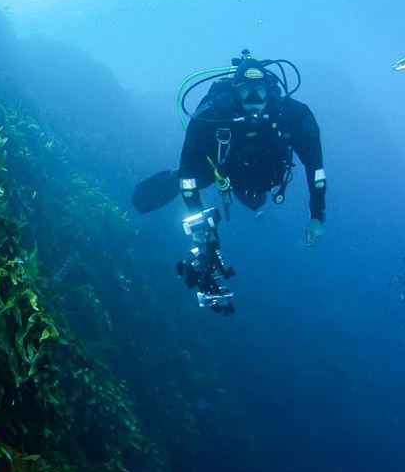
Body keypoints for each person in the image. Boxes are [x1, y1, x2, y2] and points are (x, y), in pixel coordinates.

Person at [131, 51, 327, 312]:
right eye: (246, 93)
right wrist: (198, 221)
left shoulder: (295, 115)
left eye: (260, 92)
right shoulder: (210, 115)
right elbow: (189, 173)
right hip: (220, 171)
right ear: (235, 92)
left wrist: (317, 215)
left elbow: (315, 168)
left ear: (270, 90)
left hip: (262, 179)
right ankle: (163, 185)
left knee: (256, 201)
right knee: (185, 179)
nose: (254, 101)